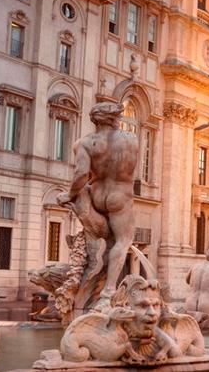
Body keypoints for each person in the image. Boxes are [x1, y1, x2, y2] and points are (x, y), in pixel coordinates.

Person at [56, 101, 139, 306]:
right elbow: (130, 169)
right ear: (113, 119)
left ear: (95, 121)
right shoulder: (131, 139)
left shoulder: (84, 143)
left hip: (96, 194)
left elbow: (81, 174)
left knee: (103, 239)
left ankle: (89, 278)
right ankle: (108, 291)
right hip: (120, 196)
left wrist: (70, 194)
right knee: (123, 241)